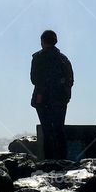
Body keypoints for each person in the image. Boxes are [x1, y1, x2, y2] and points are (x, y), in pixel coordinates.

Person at [30, 29, 74, 162]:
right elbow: (70, 80)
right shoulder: (63, 59)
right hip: (59, 100)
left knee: (47, 131)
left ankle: (48, 163)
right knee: (59, 130)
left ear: (43, 42)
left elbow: (34, 79)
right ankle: (63, 161)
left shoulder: (37, 58)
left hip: (42, 100)